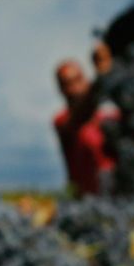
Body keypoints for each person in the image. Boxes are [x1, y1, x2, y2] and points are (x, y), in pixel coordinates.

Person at [52, 59, 116, 196]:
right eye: (68, 84)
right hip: (87, 198)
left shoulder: (110, 117)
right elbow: (81, 114)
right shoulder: (62, 122)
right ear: (61, 90)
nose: (75, 88)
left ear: (86, 80)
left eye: (78, 80)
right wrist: (103, 77)